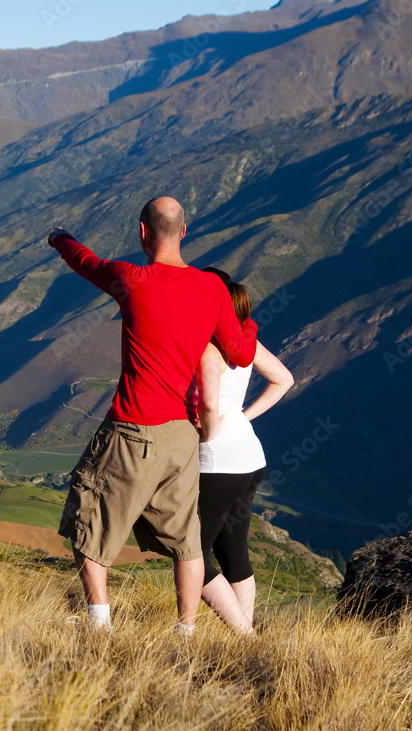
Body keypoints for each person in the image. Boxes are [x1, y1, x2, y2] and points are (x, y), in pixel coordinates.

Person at [49, 196, 257, 633]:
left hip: (132, 431)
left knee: (90, 524)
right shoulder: (213, 289)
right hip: (183, 436)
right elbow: (240, 352)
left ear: (143, 233)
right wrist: (249, 323)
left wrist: (60, 238)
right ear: (184, 232)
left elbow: (85, 261)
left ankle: (99, 627)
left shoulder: (130, 278)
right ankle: (186, 632)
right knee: (186, 540)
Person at [194, 270, 294, 635]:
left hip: (216, 463)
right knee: (234, 554)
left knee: (190, 555)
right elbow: (284, 379)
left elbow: (207, 403)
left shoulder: (206, 344)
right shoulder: (243, 340)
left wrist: (208, 432)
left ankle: (245, 637)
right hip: (251, 459)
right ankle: (245, 636)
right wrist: (242, 417)